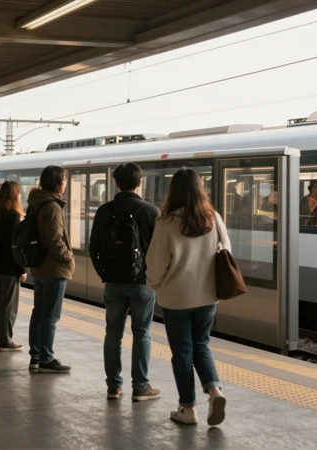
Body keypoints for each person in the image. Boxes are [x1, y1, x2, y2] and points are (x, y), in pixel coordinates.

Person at [145, 168, 228, 426]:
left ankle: (187, 408)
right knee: (201, 345)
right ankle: (214, 391)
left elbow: (156, 265)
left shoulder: (166, 223)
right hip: (208, 296)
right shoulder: (213, 218)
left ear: (173, 192)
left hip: (176, 298)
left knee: (182, 352)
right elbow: (226, 250)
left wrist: (153, 284)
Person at [89, 163, 161, 400]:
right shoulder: (151, 212)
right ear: (139, 183)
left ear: (116, 183)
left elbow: (93, 248)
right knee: (142, 333)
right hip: (142, 283)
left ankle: (113, 385)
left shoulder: (104, 211)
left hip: (113, 283)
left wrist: (104, 273)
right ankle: (140, 387)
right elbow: (159, 250)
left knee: (113, 333)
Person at [27, 165, 74, 373]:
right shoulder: (53, 206)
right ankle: (46, 358)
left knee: (38, 313)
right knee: (50, 316)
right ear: (56, 182)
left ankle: (36, 356)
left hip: (39, 267)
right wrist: (69, 257)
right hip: (54, 268)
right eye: (64, 179)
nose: (65, 183)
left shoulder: (35, 203)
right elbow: (55, 240)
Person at [0, 181, 26, 351]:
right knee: (8, 305)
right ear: (15, 195)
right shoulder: (13, 216)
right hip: (9, 268)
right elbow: (15, 246)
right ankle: (5, 341)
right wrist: (22, 269)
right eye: (19, 193)